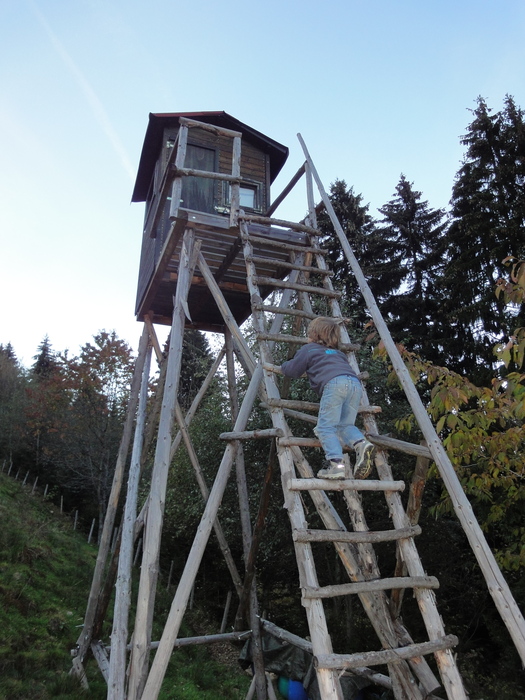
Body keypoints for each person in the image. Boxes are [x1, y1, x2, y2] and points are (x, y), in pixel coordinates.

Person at [278, 316, 374, 480]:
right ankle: (361, 443)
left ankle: (336, 465)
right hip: (354, 385)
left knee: (325, 428)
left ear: (313, 335)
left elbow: (293, 370)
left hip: (334, 385)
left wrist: (283, 366)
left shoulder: (309, 349)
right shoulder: (338, 353)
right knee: (344, 425)